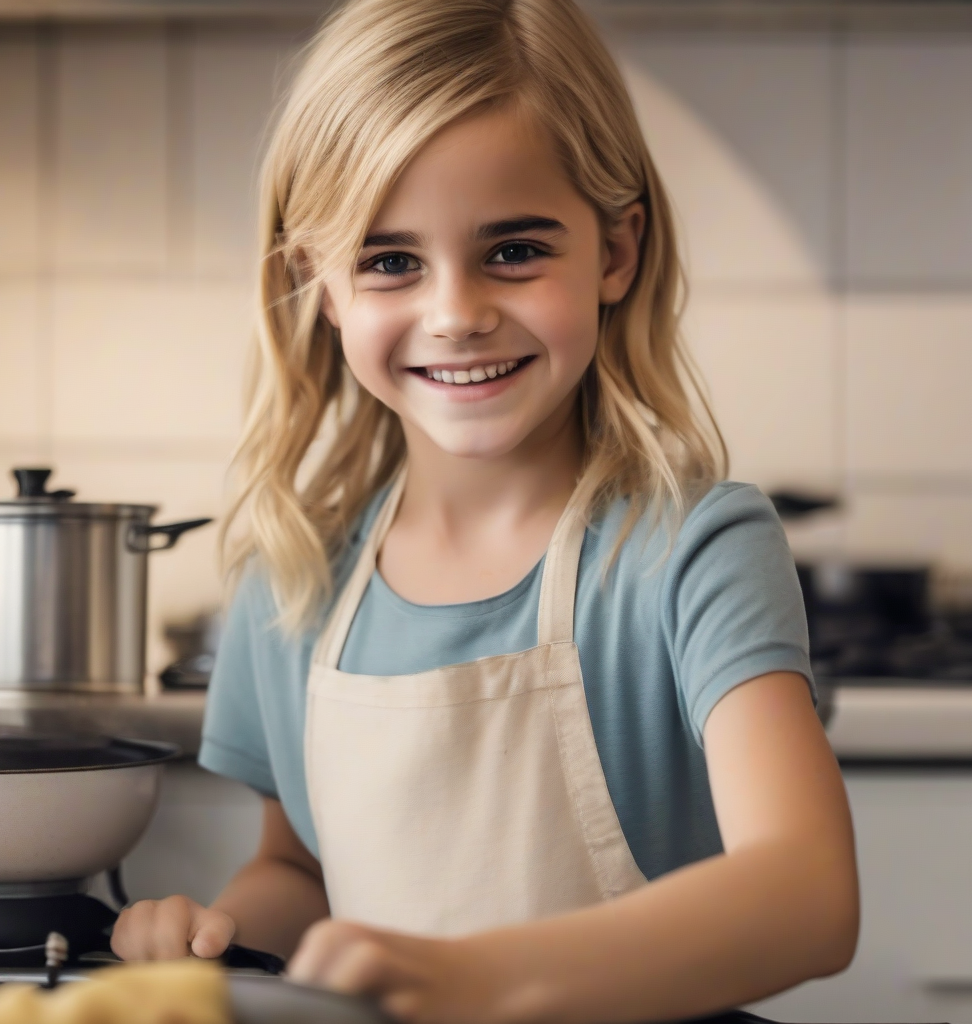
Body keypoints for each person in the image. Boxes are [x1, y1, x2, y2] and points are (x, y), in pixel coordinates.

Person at [112, 0, 860, 1020]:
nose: (455, 312)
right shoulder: (292, 578)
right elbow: (299, 871)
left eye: (512, 250)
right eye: (389, 261)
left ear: (614, 252)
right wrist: (217, 939)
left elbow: (806, 896)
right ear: (318, 287)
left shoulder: (690, 550)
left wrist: (482, 980)